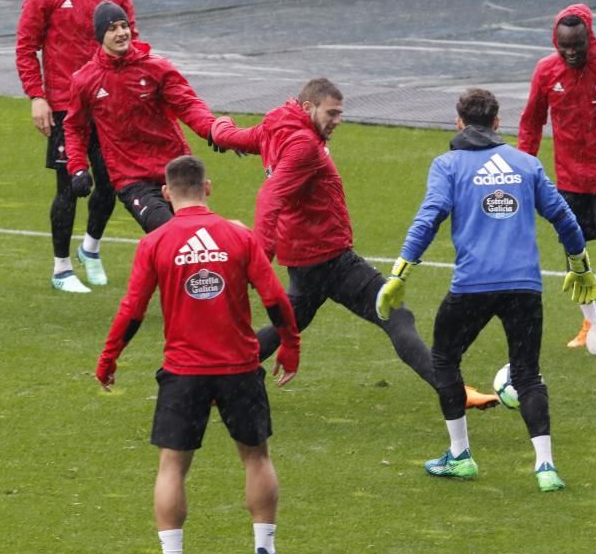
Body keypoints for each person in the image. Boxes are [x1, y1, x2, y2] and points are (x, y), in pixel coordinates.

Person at [209, 77, 497, 409]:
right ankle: (454, 391)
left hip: (306, 258)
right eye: (331, 114)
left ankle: (218, 382)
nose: (338, 121)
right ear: (308, 107)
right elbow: (270, 197)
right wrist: (258, 259)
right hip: (327, 258)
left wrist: (220, 129)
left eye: (340, 113)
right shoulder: (304, 144)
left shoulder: (278, 126)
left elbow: (241, 137)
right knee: (395, 315)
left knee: (287, 323)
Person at [376, 88, 596, 491]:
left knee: (444, 359)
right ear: (497, 123)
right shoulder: (526, 164)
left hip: (472, 286)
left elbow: (429, 219)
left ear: (459, 122)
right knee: (528, 374)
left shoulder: (448, 165)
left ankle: (460, 456)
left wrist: (399, 273)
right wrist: (579, 265)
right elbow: (563, 216)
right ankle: (545, 468)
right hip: (524, 287)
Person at [95, 155, 299, 554]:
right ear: (207, 187)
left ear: (166, 194)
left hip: (183, 371)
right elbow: (276, 298)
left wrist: (109, 357)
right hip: (239, 367)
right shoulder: (239, 237)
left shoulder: (155, 242)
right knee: (256, 457)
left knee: (172, 465)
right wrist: (290, 346)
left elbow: (132, 310)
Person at [15, 0, 137, 293]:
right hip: (68, 109)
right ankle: (61, 268)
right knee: (70, 187)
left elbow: (131, 44)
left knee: (114, 184)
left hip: (110, 106)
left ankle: (91, 248)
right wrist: (37, 96)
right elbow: (25, 48)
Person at [518, 3, 596, 352]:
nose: (570, 52)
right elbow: (531, 121)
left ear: (590, 38)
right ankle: (591, 324)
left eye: (576, 45)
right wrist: (526, 167)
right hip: (569, 181)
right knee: (576, 253)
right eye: (563, 45)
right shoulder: (546, 72)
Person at [63, 0, 234, 234]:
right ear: (100, 36)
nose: (121, 33)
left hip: (175, 169)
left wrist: (212, 129)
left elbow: (187, 104)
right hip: (133, 179)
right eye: (112, 29)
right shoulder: (86, 80)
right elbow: (75, 127)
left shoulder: (156, 67)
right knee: (170, 233)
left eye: (124, 26)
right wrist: (78, 168)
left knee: (196, 237)